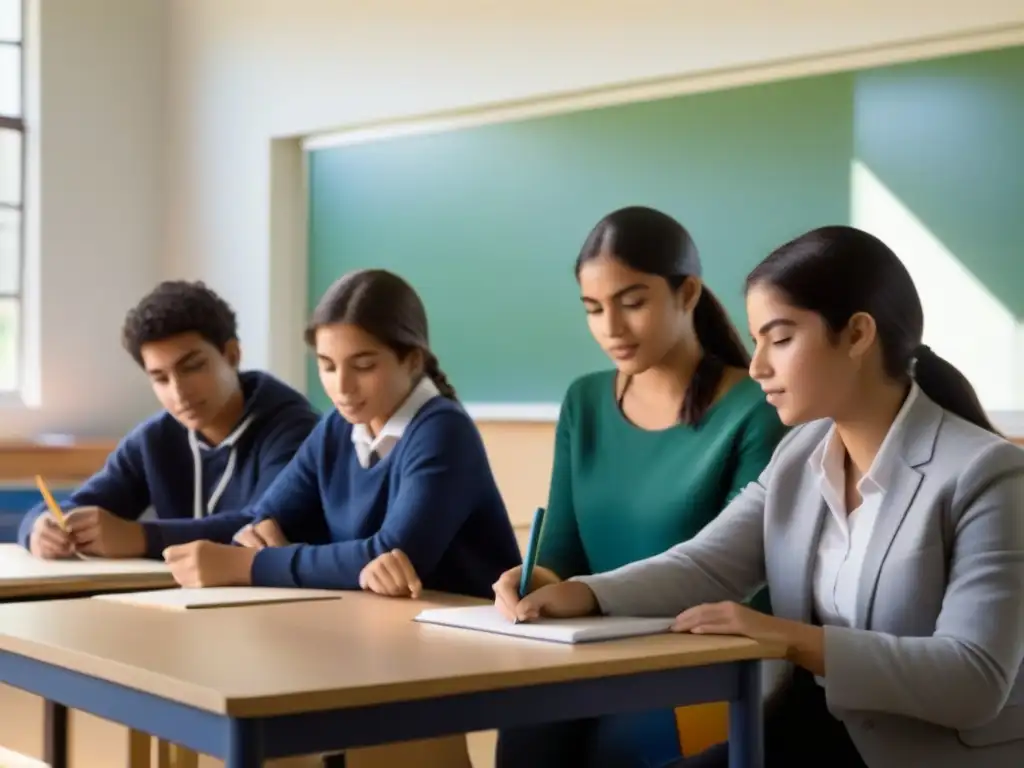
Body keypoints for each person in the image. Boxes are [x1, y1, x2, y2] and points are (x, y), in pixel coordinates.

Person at [506, 225, 1024, 768]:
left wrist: (790, 638)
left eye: (779, 339)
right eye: (756, 342)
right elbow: (707, 564)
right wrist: (583, 593)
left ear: (856, 335)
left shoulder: (988, 475)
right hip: (809, 736)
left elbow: (974, 679)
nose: (757, 367)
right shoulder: (801, 453)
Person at [492, 207, 788, 768]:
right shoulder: (584, 401)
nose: (612, 328)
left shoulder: (756, 408)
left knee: (625, 746)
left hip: (698, 661)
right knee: (526, 735)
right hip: (585, 655)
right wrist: (531, 581)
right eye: (593, 309)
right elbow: (559, 551)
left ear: (688, 293)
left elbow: (738, 579)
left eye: (632, 302)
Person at [159, 268, 522, 601]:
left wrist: (248, 566)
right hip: (377, 624)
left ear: (413, 360)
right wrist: (268, 547)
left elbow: (394, 555)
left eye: (363, 366)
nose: (342, 387)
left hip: (467, 637)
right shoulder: (338, 426)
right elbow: (265, 520)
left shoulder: (443, 430)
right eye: (327, 366)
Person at [19, 280, 319, 560]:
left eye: (192, 368)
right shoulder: (154, 439)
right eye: (160, 378)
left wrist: (140, 538)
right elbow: (78, 505)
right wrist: (40, 528)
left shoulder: (294, 428)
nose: (179, 393)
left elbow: (265, 525)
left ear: (232, 354)